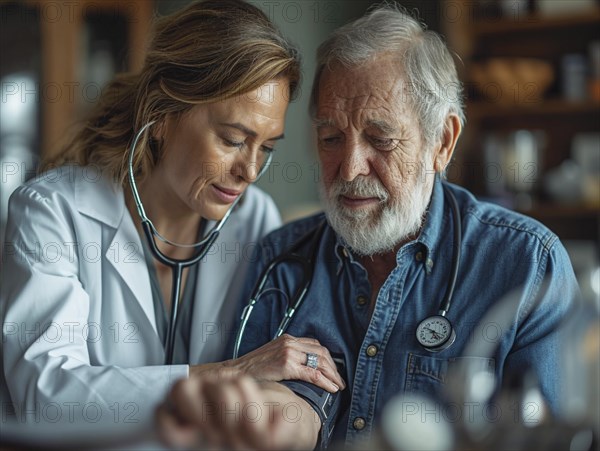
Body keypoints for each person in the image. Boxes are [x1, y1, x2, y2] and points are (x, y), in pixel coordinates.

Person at [155, 3, 580, 450]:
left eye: (381, 139)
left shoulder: (529, 267)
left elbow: (550, 438)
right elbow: (285, 406)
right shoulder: (280, 260)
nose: (350, 167)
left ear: (442, 141)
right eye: (331, 138)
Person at [0, 0, 345, 429]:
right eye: (233, 139)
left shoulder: (254, 219)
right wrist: (227, 374)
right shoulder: (53, 213)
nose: (250, 171)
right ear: (162, 114)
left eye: (267, 148)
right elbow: (46, 396)